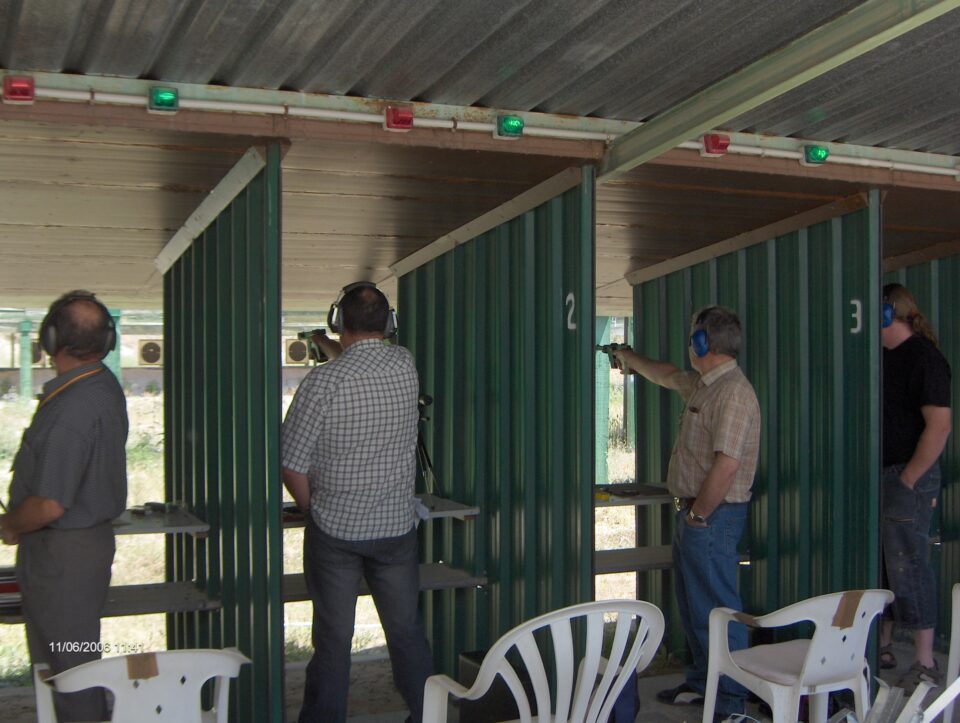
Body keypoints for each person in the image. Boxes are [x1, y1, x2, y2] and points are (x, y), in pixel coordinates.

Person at [282, 281, 433, 723]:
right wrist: (331, 347)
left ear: (338, 322)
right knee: (406, 635)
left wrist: (311, 508)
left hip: (337, 534)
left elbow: (291, 466)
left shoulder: (322, 384)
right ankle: (429, 714)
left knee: (332, 641)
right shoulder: (405, 366)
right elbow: (362, 365)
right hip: (395, 532)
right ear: (388, 324)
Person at [614, 306, 760, 722]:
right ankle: (701, 683)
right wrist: (628, 356)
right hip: (697, 514)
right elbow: (666, 374)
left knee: (717, 608)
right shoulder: (704, 385)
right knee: (696, 606)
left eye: (693, 337)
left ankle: (730, 703)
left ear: (702, 343)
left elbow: (726, 465)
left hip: (713, 516)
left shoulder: (733, 392)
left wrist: (698, 516)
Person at [0, 290, 127, 722]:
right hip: (76, 552)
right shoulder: (98, 386)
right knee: (66, 664)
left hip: (63, 557)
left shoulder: (72, 407)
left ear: (50, 339)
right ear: (106, 342)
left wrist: (10, 524)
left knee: (72, 671)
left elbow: (51, 504)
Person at [879, 283, 951, 693]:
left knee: (909, 563)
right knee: (885, 562)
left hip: (908, 476)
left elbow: (939, 426)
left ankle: (925, 660)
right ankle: (885, 643)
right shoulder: (884, 359)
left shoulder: (924, 359)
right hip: (887, 474)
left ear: (890, 314)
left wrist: (909, 479)